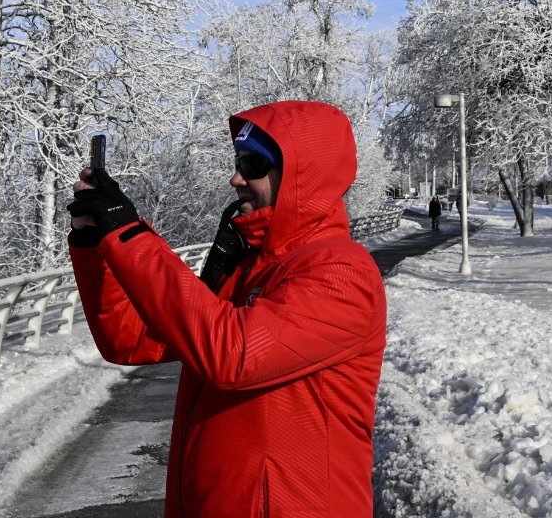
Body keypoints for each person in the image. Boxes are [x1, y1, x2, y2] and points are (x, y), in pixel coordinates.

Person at [67, 99, 387, 518]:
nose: (235, 178)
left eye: (253, 165)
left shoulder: (341, 273)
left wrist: (128, 233)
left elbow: (233, 354)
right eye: (239, 160)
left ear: (301, 176)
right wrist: (97, 245)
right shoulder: (251, 267)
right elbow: (131, 340)